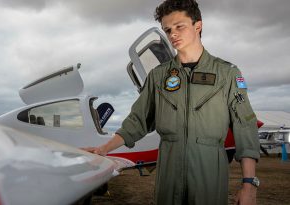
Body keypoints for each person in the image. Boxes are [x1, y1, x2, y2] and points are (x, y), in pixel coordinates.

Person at [83, 0, 260, 204]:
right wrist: (104, 148)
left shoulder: (227, 74)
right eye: (167, 29)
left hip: (210, 173)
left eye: (179, 26)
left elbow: (244, 127)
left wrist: (249, 183)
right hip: (168, 175)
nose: (173, 34)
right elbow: (137, 120)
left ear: (198, 26)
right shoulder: (158, 76)